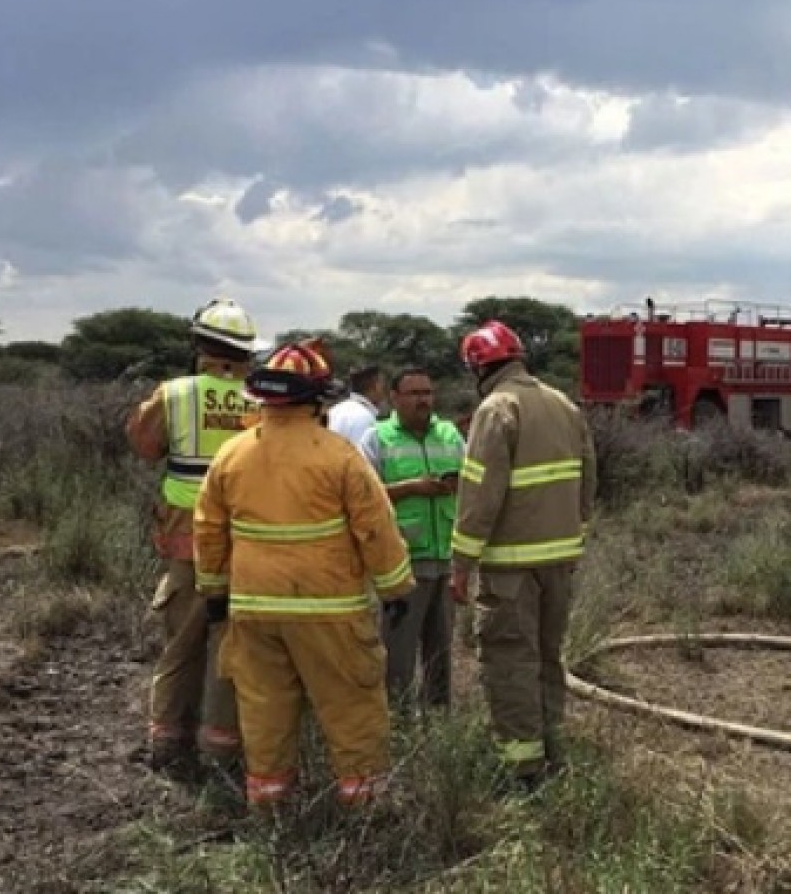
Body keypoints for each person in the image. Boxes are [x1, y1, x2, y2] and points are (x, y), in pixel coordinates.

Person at [195, 343, 414, 809]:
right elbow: (376, 528)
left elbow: (208, 531)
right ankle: (366, 814)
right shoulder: (340, 457)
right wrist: (396, 588)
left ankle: (272, 812)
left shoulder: (231, 456)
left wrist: (214, 593)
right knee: (351, 708)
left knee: (264, 713)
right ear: (317, 399)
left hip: (253, 612)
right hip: (330, 614)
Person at [450, 320, 597, 795]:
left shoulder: (497, 409)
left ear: (477, 367)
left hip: (510, 567)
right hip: (560, 561)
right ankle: (552, 750)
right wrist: (574, 532)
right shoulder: (563, 404)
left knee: (510, 661)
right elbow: (588, 480)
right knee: (547, 658)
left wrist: (461, 563)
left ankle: (520, 771)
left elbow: (479, 494)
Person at [124, 298, 262, 775]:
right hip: (244, 544)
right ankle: (222, 748)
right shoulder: (262, 402)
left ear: (200, 345)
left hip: (185, 541)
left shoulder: (175, 394)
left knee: (181, 644)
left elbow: (144, 445)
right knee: (229, 646)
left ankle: (168, 743)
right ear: (246, 352)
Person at [359, 369, 464, 711]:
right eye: (414, 393)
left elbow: (475, 481)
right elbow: (363, 498)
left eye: (428, 392)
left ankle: (437, 719)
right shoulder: (377, 439)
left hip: (445, 559)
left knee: (441, 651)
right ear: (394, 397)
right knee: (398, 655)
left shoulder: (449, 435)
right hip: (402, 566)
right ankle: (398, 721)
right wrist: (412, 488)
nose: (424, 400)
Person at [327, 365, 390, 448]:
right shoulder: (365, 418)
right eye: (383, 383)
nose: (385, 388)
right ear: (376, 386)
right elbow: (360, 457)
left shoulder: (335, 409)